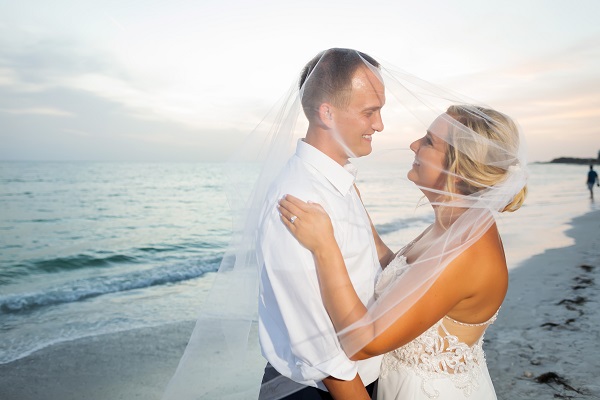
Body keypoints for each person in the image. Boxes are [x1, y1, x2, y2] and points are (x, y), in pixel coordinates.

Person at [277, 105, 528, 399]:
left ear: (458, 170)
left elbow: (363, 342)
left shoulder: (466, 250)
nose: (413, 145)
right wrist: (357, 211)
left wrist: (325, 247)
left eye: (429, 141)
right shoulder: (457, 224)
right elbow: (403, 275)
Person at [257, 48, 388, 400]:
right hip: (324, 391)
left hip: (360, 378)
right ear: (327, 113)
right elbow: (318, 348)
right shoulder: (296, 200)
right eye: (369, 112)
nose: (379, 125)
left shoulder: (341, 182)